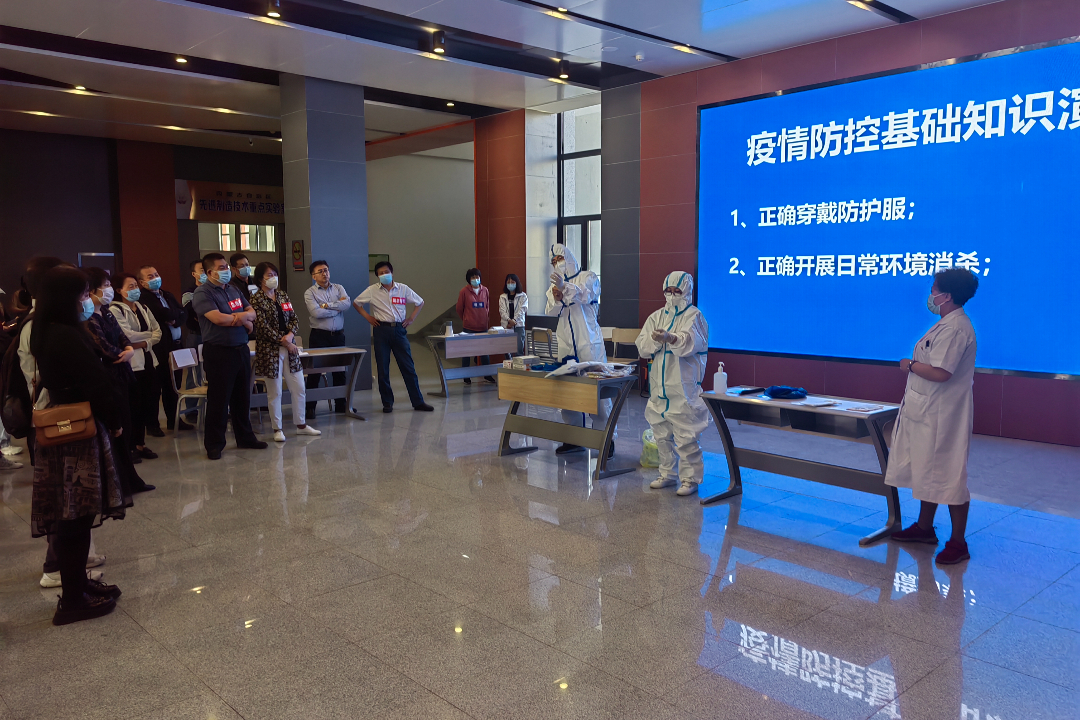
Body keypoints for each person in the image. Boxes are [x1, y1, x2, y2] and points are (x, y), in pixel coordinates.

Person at [30, 266, 127, 625]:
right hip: (76, 435)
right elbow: (95, 382)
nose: (87, 300)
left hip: (66, 430)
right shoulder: (64, 335)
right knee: (76, 516)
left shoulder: (48, 330)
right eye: (84, 294)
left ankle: (78, 585)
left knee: (75, 516)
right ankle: (72, 600)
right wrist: (115, 420)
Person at [887, 268, 979, 565]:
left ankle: (958, 543)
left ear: (947, 295)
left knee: (949, 476)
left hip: (944, 416)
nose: (931, 294)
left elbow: (941, 372)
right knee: (929, 470)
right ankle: (924, 528)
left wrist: (910, 365)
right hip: (929, 412)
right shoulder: (945, 324)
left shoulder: (955, 328)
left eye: (935, 289)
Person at [636, 272, 710, 497]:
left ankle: (690, 479)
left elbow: (691, 342)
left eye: (677, 291)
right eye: (668, 291)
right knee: (661, 433)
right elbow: (642, 346)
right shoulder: (656, 316)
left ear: (686, 290)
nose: (672, 295)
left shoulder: (694, 316)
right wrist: (655, 341)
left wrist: (671, 338)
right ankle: (667, 473)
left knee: (686, 434)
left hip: (682, 386)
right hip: (659, 386)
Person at [191, 253, 268, 460]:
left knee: (242, 397)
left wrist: (239, 317)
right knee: (219, 399)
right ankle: (214, 444)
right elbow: (218, 319)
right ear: (210, 272)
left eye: (226, 267)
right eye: (222, 268)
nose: (226, 270)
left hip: (240, 348)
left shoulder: (233, 289)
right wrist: (243, 319)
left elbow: (252, 311)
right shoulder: (202, 293)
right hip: (219, 351)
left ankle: (245, 437)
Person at [85, 268, 155, 494]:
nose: (107, 290)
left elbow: (122, 336)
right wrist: (122, 352)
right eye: (104, 286)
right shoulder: (88, 318)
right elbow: (102, 346)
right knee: (116, 430)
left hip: (122, 373)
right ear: (92, 290)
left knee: (127, 423)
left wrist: (127, 349)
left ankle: (130, 479)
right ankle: (121, 482)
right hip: (108, 377)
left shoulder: (105, 311)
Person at [545, 243, 610, 455]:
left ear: (570, 258)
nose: (557, 264)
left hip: (589, 344)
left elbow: (585, 295)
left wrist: (564, 287)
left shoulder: (588, 277)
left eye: (560, 259)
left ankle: (605, 440)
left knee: (598, 394)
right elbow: (550, 311)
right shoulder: (553, 285)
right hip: (566, 344)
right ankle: (574, 438)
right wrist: (556, 298)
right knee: (568, 392)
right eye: (553, 261)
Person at [251, 262, 321, 443]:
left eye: (275, 274)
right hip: (270, 350)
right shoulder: (256, 299)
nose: (273, 277)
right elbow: (262, 326)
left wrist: (290, 336)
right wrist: (283, 341)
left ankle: (301, 425)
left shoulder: (282, 295)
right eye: (269, 275)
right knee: (274, 391)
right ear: (260, 279)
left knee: (299, 387)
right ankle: (277, 428)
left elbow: (294, 318)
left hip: (290, 347)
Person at [353, 261, 434, 413]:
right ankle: (387, 402)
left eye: (386, 272)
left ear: (392, 272)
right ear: (377, 276)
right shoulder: (372, 290)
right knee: (383, 369)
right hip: (381, 330)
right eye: (381, 273)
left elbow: (420, 302)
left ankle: (418, 401)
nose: (384, 275)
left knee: (408, 367)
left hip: (398, 330)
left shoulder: (403, 288)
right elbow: (357, 303)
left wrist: (411, 318)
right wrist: (368, 317)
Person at [109, 273, 163, 462]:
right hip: (132, 365)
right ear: (119, 290)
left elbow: (158, 332)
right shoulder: (115, 309)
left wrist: (144, 342)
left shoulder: (143, 307)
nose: (135, 290)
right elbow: (127, 336)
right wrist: (148, 338)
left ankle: (141, 444)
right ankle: (130, 447)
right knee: (133, 407)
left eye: (135, 286)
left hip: (149, 360)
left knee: (148, 403)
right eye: (130, 287)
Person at [138, 265, 191, 431]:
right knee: (155, 387)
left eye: (156, 274)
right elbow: (163, 314)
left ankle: (173, 420)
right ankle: (152, 424)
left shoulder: (166, 294)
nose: (155, 278)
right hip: (159, 348)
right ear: (142, 282)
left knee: (173, 385)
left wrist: (175, 319)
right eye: (150, 276)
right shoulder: (143, 298)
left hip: (176, 345)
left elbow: (183, 313)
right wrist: (174, 315)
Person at [303, 260, 350, 417]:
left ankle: (341, 405)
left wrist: (326, 305)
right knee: (314, 372)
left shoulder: (338, 288)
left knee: (340, 371)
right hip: (319, 336)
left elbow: (347, 304)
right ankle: (310, 408)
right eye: (320, 271)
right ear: (313, 276)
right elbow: (316, 313)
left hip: (338, 336)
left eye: (326, 270)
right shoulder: (310, 292)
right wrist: (336, 308)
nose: (325, 273)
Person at [456, 267, 495, 384]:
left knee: (484, 352)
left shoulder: (485, 290)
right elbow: (459, 308)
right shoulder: (464, 291)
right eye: (473, 277)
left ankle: (487, 375)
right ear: (469, 279)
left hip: (483, 326)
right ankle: (466, 376)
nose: (475, 279)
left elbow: (487, 306)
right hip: (469, 327)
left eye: (477, 277)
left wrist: (485, 318)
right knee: (467, 353)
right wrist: (466, 319)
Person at [499, 273, 528, 355]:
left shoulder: (523, 296)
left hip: (518, 325)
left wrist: (514, 320)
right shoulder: (502, 297)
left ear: (517, 283)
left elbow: (522, 310)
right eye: (508, 282)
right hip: (506, 326)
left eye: (512, 282)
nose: (510, 284)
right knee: (507, 350)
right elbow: (502, 311)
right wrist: (509, 320)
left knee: (519, 350)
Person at [182, 259, 206, 348]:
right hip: (197, 335)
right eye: (202, 270)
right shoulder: (189, 293)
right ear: (194, 274)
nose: (205, 273)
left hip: (214, 334)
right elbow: (194, 313)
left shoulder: (215, 290)